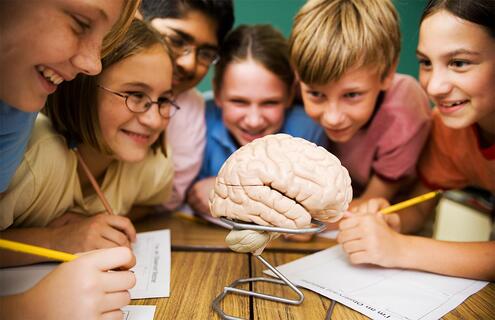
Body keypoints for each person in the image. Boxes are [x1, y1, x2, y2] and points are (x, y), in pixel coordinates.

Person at [0, 1, 140, 318]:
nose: (93, 64)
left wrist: (54, 240)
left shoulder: (14, 108)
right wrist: (26, 309)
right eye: (79, 22)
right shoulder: (41, 146)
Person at [337, 0, 495, 281]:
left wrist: (401, 249)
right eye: (425, 63)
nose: (434, 87)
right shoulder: (449, 129)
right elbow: (422, 203)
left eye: (459, 63)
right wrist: (393, 220)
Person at [0, 19, 176, 267]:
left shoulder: (151, 162)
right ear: (82, 88)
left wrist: (94, 222)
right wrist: (55, 241)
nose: (154, 119)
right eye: (136, 95)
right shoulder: (37, 157)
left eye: (165, 99)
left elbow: (150, 206)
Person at [289, 0, 431, 211]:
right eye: (316, 94)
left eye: (352, 95)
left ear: (387, 74)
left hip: (394, 216)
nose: (332, 117)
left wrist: (303, 220)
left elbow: (369, 203)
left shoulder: (405, 111)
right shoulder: (294, 87)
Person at [187, 24, 326, 216]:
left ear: (289, 94)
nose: (253, 121)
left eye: (270, 103)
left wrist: (233, 189)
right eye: (239, 102)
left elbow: (317, 202)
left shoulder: (309, 129)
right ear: (218, 93)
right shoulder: (197, 119)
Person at [141, 0, 235, 211]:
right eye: (176, 40)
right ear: (136, 21)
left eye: (206, 54)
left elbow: (166, 200)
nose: (189, 64)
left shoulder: (191, 108)